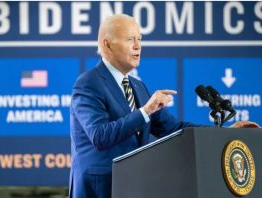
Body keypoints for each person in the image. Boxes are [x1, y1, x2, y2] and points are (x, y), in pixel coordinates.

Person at [69, 14, 260, 198]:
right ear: (107, 43)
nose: (138, 46)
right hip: (99, 188)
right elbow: (100, 136)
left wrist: (223, 133)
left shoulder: (138, 86)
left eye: (139, 39)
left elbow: (174, 129)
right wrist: (146, 111)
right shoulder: (89, 83)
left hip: (133, 185)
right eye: (129, 39)